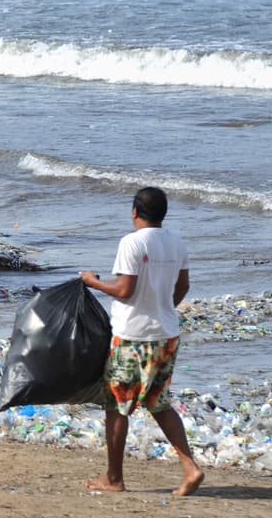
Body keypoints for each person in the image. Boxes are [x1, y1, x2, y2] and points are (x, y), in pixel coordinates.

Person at [79, 187, 204, 496]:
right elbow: (183, 286)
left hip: (133, 336)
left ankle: (114, 479)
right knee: (158, 402)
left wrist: (92, 281)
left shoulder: (132, 243)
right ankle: (190, 467)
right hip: (166, 334)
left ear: (135, 211)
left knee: (117, 406)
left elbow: (124, 290)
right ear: (163, 214)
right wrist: (162, 306)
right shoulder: (176, 243)